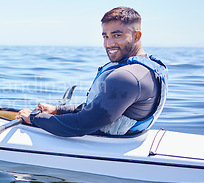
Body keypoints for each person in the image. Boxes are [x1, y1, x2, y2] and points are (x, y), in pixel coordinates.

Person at [16, 7, 168, 137]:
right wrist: (57, 110)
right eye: (105, 36)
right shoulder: (147, 69)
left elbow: (82, 124)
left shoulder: (126, 77)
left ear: (137, 36)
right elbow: (101, 109)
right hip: (132, 139)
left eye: (117, 35)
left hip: (105, 150)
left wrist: (35, 118)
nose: (109, 44)